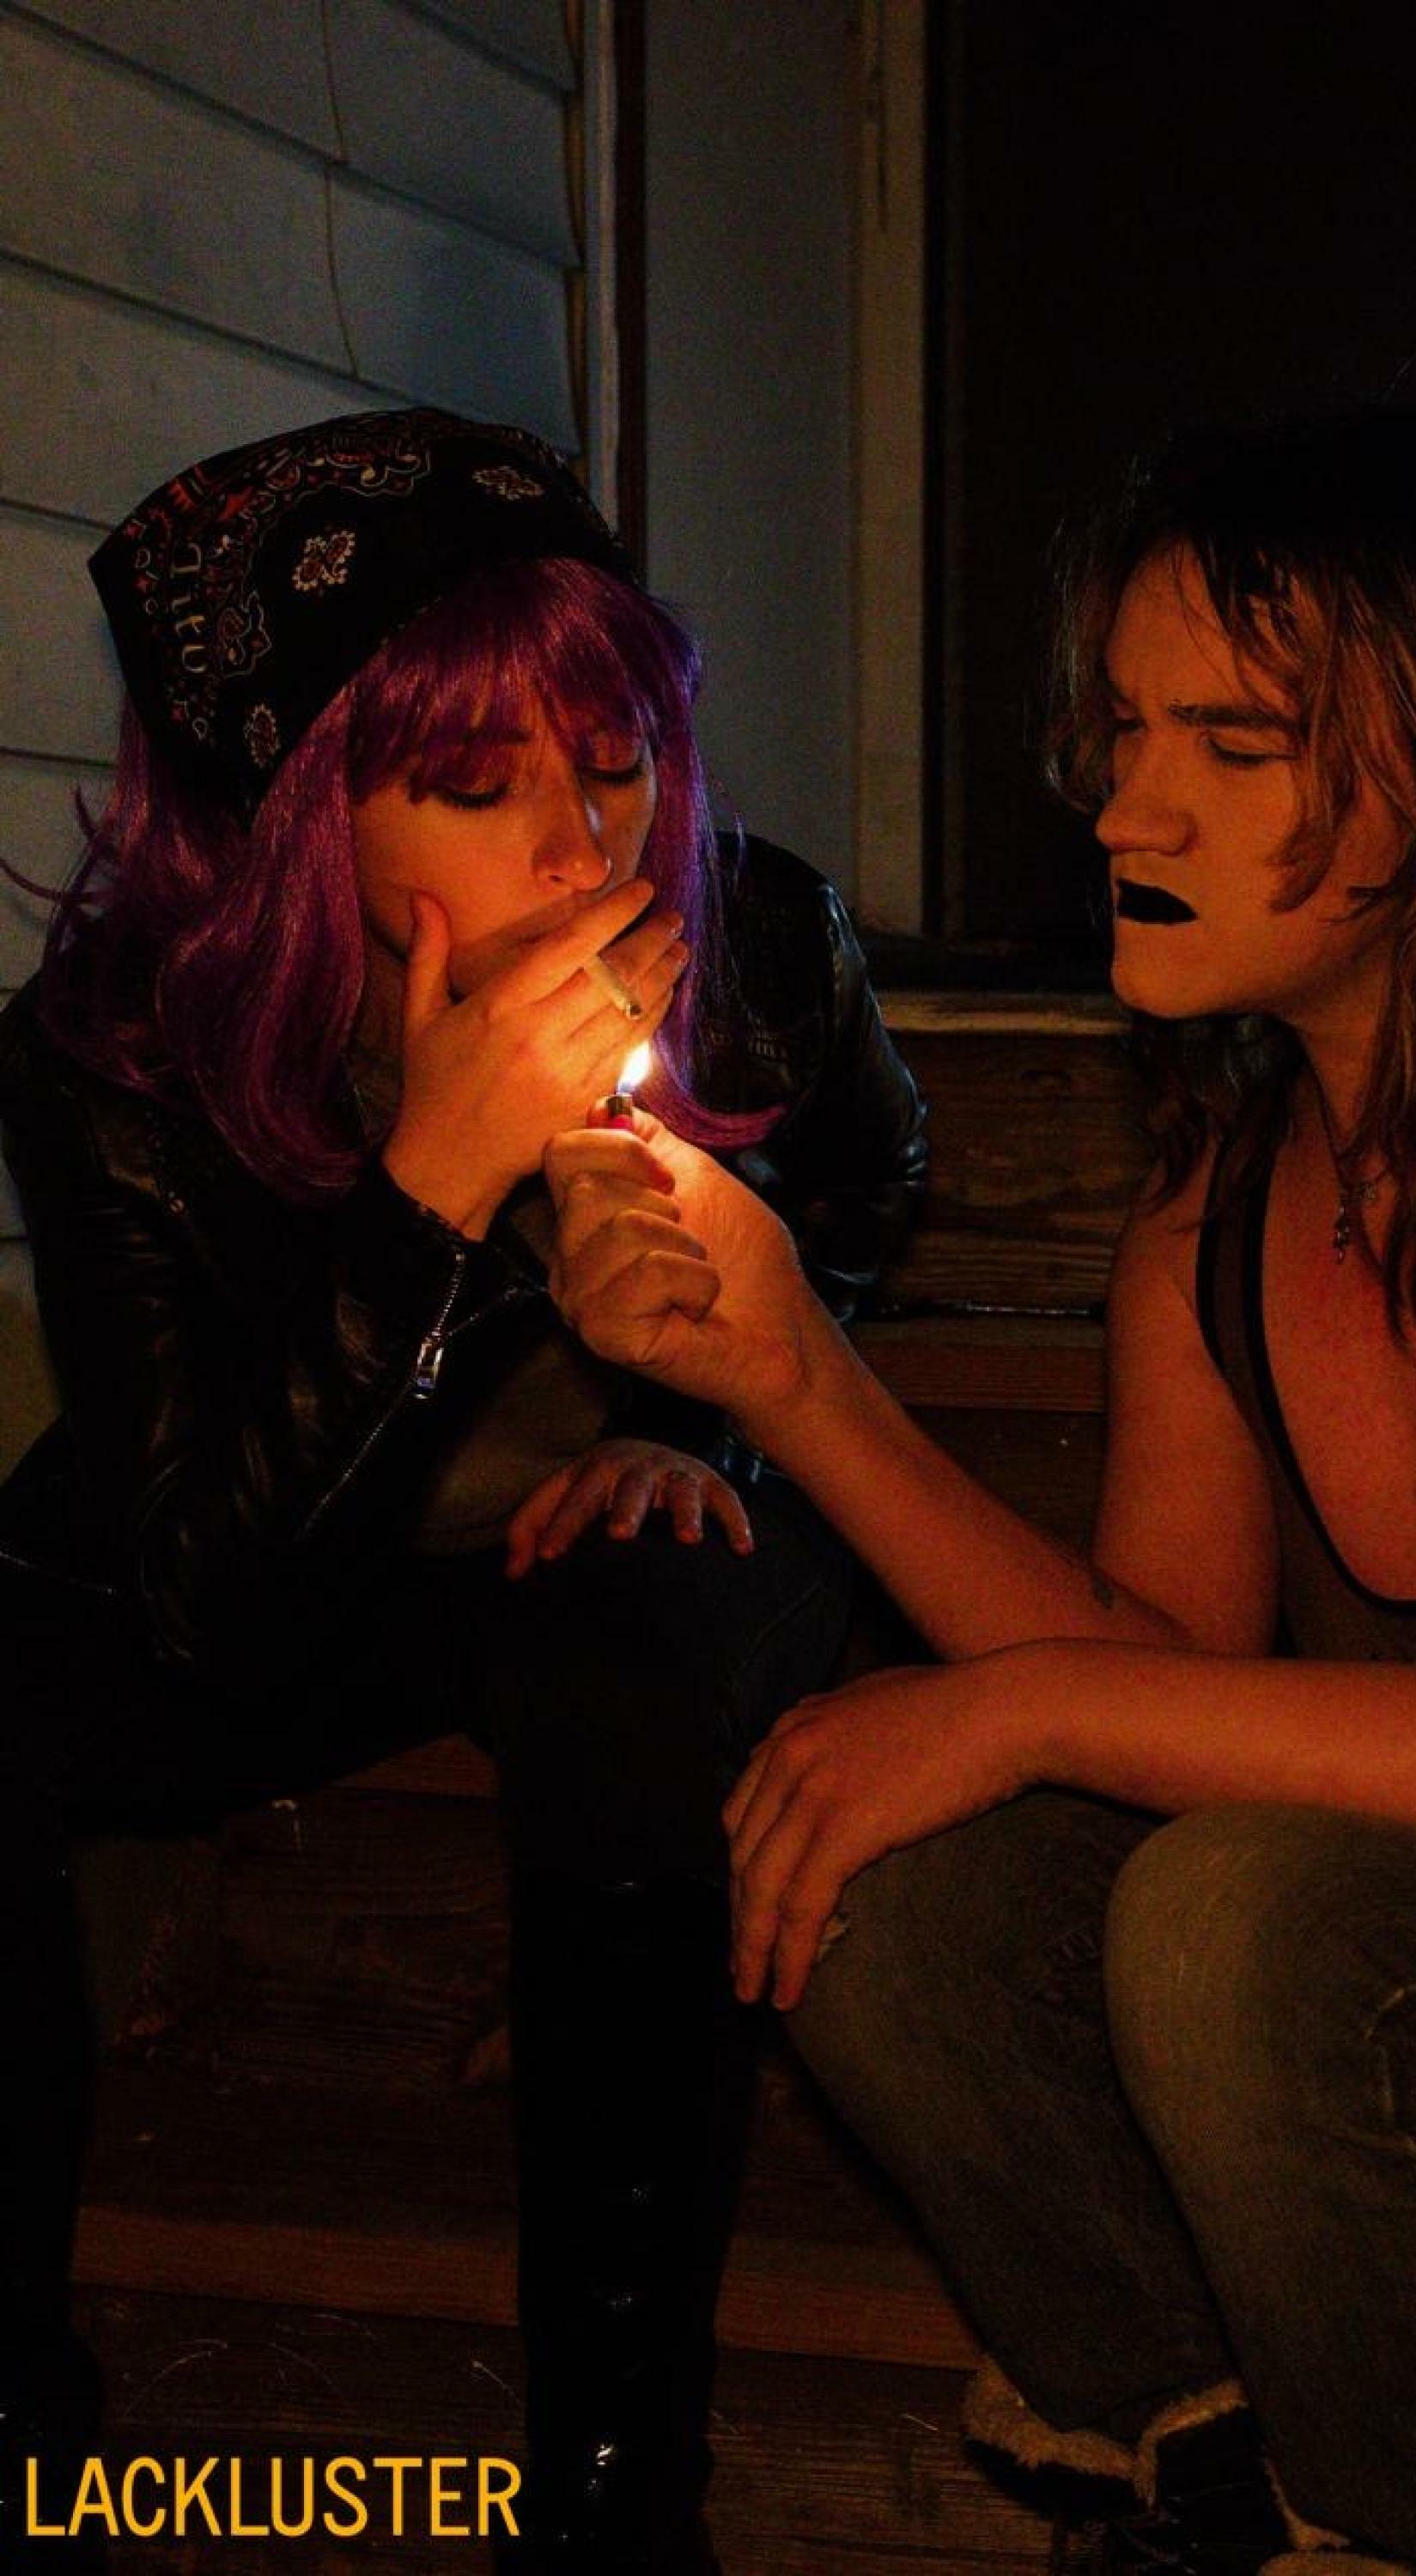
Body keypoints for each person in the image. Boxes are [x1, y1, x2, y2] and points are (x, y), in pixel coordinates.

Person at [547, 410, 1416, 2576]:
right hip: (1410, 2074)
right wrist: (790, 1371)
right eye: (1126, 730)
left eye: (1234, 739)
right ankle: (1214, 2484)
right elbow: (1161, 1679)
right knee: (884, 1883)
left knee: (1240, 1920)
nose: (1128, 804)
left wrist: (1027, 1706)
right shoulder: (1212, 1210)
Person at [0, 409, 926, 2572]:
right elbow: (206, 1594)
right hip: (284, 1544)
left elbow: (871, 1189)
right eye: (476, 786)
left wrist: (702, 1420)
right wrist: (434, 1189)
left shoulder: (757, 946)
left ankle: (616, 2497)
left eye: (613, 762)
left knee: (637, 1662)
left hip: (583, 1540)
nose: (583, 842)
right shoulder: (121, 1048)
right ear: (310, 821)